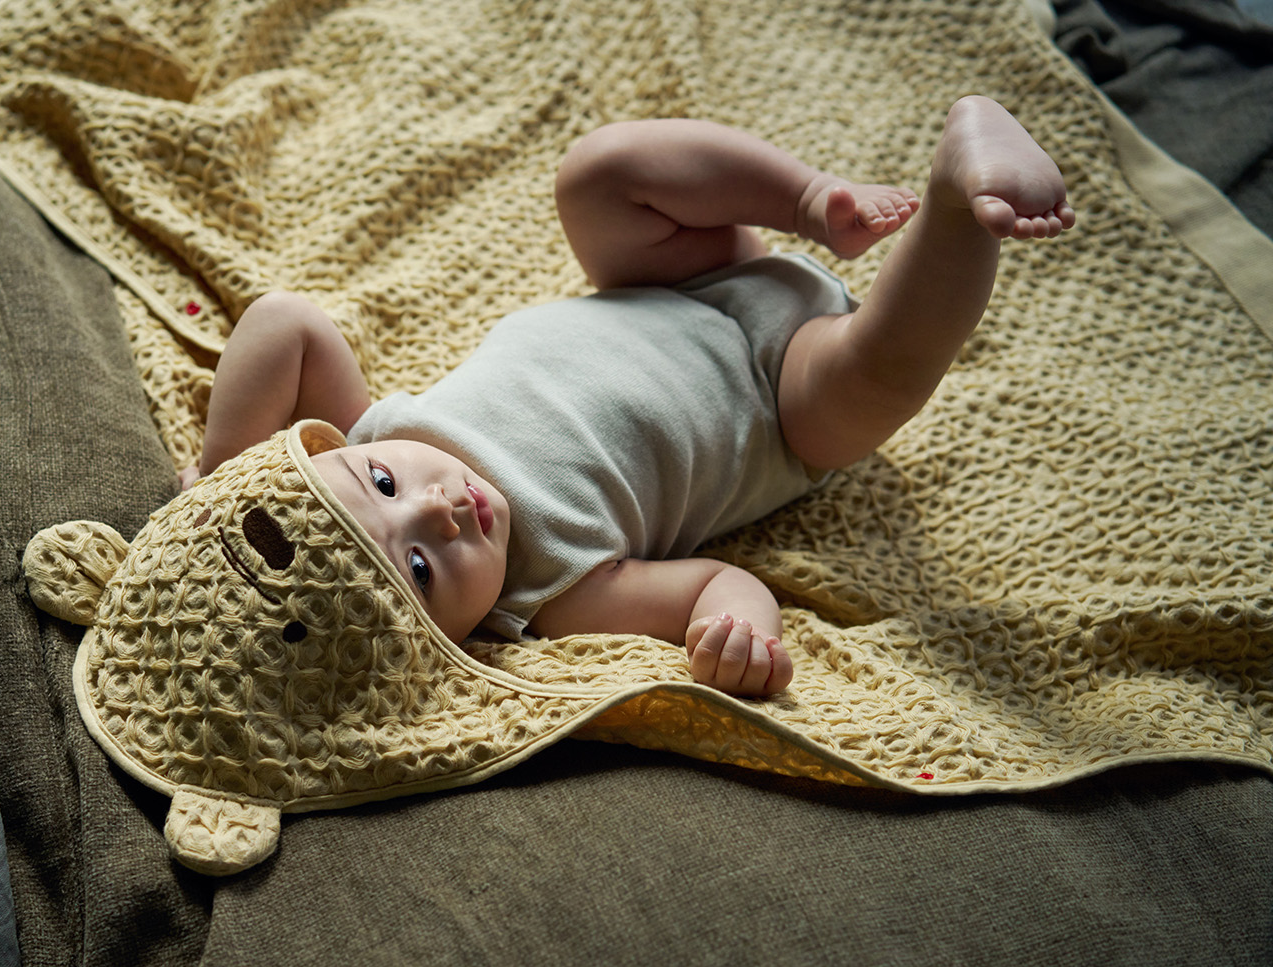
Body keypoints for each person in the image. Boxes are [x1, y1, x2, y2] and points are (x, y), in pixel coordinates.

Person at [177, 95, 1074, 699]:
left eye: (383, 485)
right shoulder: (553, 593)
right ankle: (961, 198)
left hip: (678, 282)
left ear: (341, 453)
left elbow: (284, 321)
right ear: (438, 643)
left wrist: (228, 472)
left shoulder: (367, 428)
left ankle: (809, 200)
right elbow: (716, 583)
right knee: (883, 372)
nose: (437, 511)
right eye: (418, 569)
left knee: (597, 172)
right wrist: (736, 633)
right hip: (781, 398)